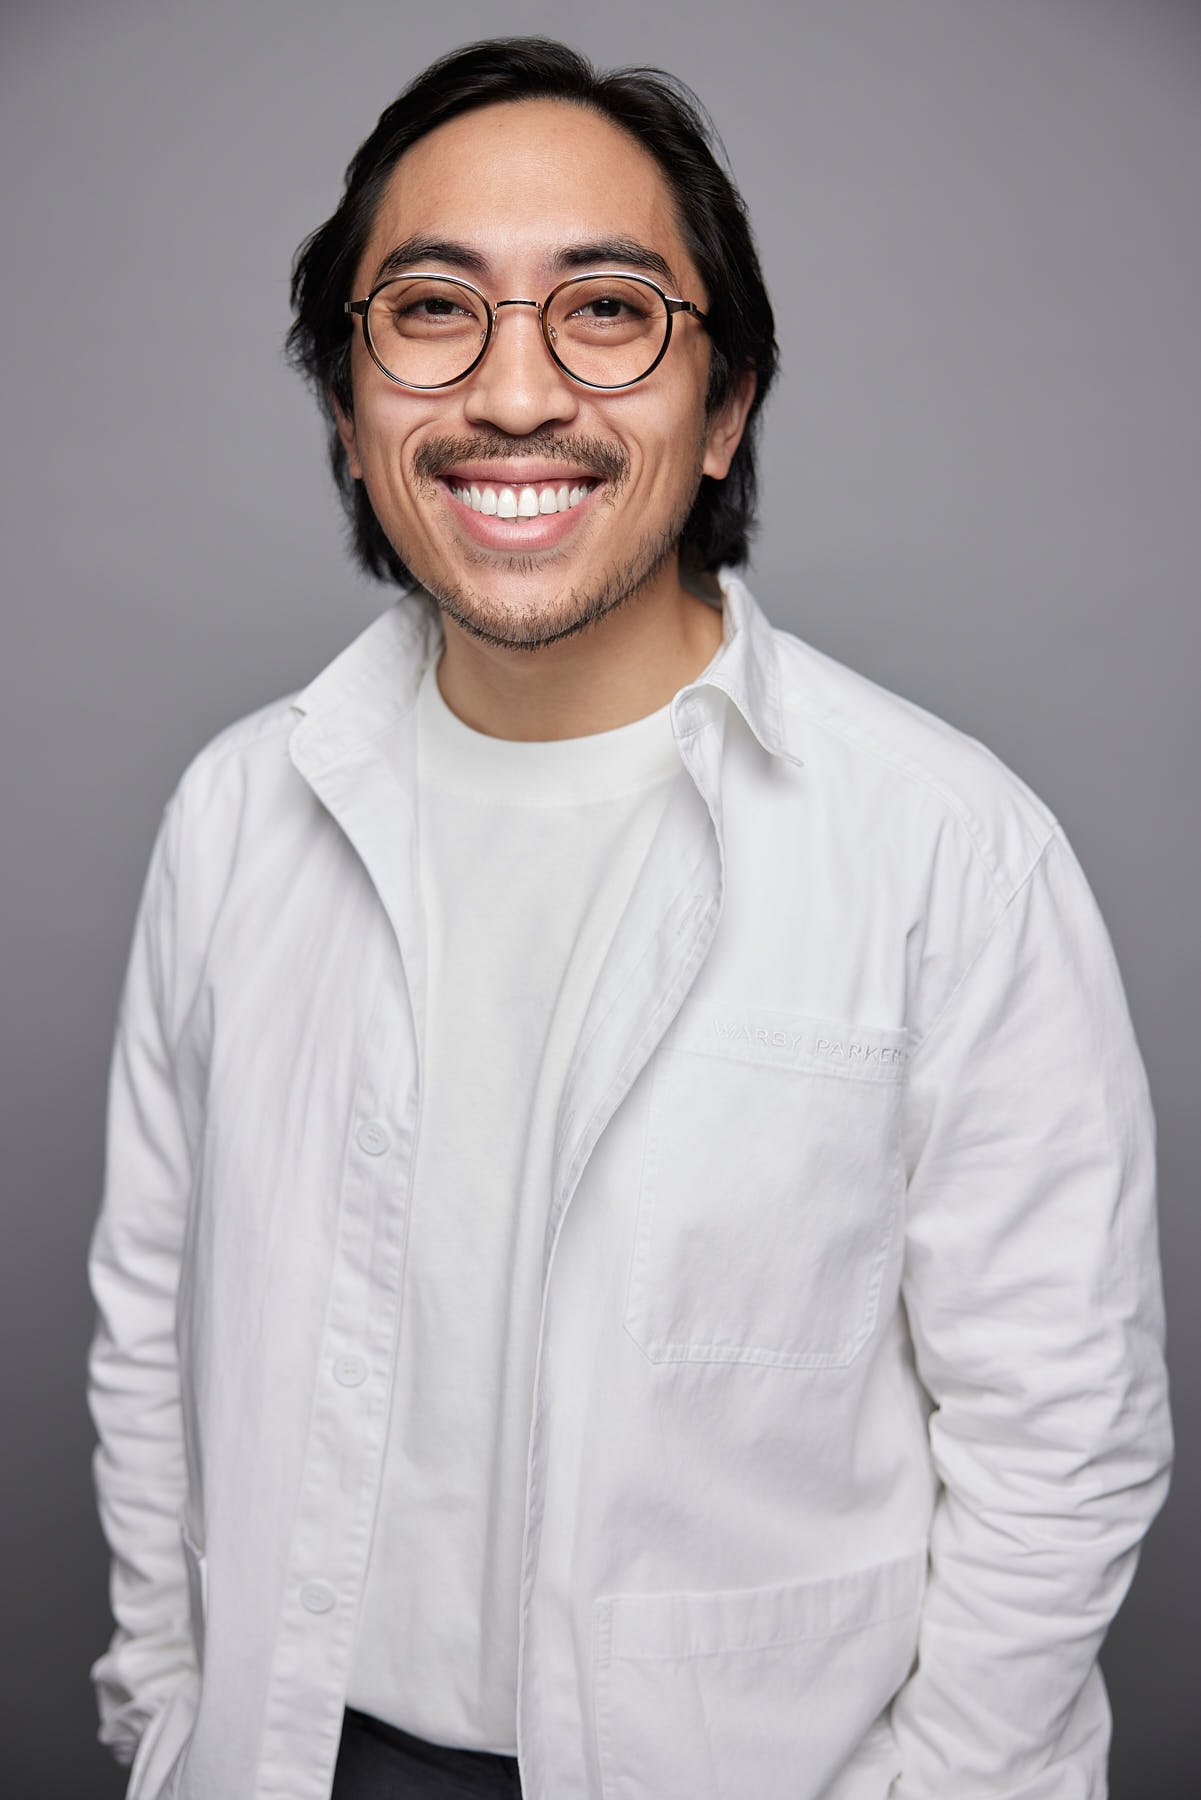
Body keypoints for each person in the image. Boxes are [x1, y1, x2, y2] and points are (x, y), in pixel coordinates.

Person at [87, 36, 1171, 1800]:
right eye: (431, 311)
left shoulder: (947, 851)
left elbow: (1065, 1437)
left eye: (608, 311)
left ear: (724, 402)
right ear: (353, 413)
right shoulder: (234, 815)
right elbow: (153, 1322)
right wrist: (163, 1719)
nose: (515, 395)